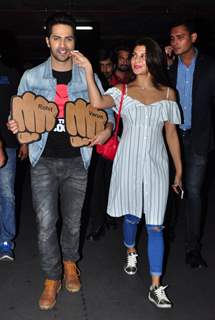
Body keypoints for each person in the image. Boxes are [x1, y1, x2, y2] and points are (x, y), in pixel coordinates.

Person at [8, 12, 114, 310]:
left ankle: (70, 263)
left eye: (68, 38)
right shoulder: (31, 77)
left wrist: (106, 130)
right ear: (47, 41)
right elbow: (18, 118)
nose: (63, 44)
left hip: (77, 160)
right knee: (44, 223)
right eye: (57, 38)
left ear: (74, 42)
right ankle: (51, 277)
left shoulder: (88, 76)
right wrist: (17, 129)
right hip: (43, 160)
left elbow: (108, 114)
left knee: (73, 221)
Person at [71, 37, 182, 308]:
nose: (136, 60)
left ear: (154, 59)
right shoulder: (121, 90)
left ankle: (156, 286)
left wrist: (178, 170)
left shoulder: (169, 94)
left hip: (157, 164)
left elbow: (171, 133)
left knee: (156, 225)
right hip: (128, 162)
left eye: (143, 55)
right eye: (134, 55)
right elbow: (97, 103)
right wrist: (87, 69)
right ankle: (131, 250)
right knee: (132, 216)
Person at [166, 20, 215, 269]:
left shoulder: (209, 66)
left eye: (180, 37)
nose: (175, 42)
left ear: (193, 37)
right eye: (172, 38)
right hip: (171, 137)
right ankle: (168, 230)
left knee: (194, 192)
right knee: (170, 188)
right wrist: (163, 65)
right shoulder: (169, 68)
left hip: (198, 138)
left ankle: (192, 248)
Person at [0, 60, 28, 262]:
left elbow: (21, 108)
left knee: (7, 193)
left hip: (9, 143)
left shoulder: (11, 73)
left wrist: (24, 141)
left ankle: (5, 241)